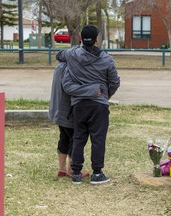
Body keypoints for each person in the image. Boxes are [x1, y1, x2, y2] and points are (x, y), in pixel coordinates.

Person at [56, 24, 120, 185]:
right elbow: (114, 82)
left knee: (78, 137)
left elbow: (59, 55)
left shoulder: (72, 55)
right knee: (98, 139)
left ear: (80, 39)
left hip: (78, 105)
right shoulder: (106, 59)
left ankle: (76, 172)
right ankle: (97, 173)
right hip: (99, 105)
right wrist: (103, 93)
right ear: (97, 39)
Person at [48, 61, 101, 178]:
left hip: (59, 110)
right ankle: (71, 170)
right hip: (69, 111)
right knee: (75, 140)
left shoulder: (59, 66)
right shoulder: (71, 68)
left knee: (64, 138)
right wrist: (92, 90)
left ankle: (62, 169)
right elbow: (71, 88)